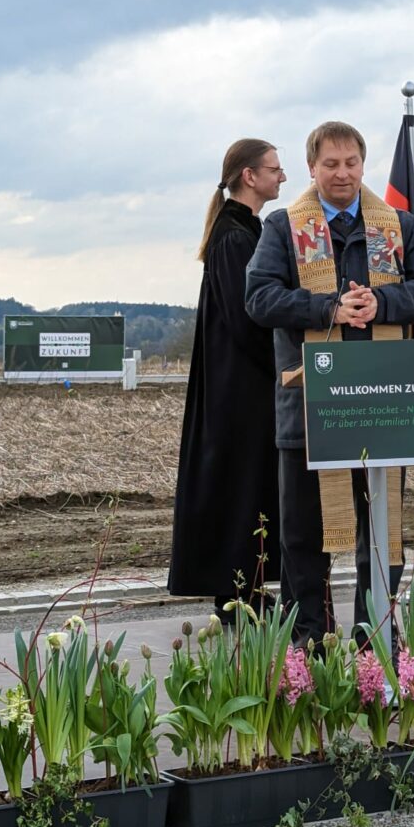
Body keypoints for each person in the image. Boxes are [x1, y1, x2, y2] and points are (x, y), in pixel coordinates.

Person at [246, 120, 414, 647]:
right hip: (311, 407)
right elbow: (259, 298)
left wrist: (385, 302)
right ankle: (309, 640)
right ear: (311, 168)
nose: (342, 173)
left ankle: (373, 634)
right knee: (302, 537)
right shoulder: (282, 228)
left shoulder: (398, 224)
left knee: (379, 532)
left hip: (385, 403)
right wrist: (328, 307)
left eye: (351, 163)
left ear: (363, 164)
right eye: (330, 164)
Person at [168, 139, 286, 620]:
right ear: (249, 176)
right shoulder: (235, 237)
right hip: (241, 387)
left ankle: (245, 590)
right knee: (243, 485)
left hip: (240, 383)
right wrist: (286, 362)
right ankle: (241, 593)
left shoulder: (241, 230)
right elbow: (249, 318)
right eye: (275, 170)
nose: (281, 177)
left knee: (246, 484)